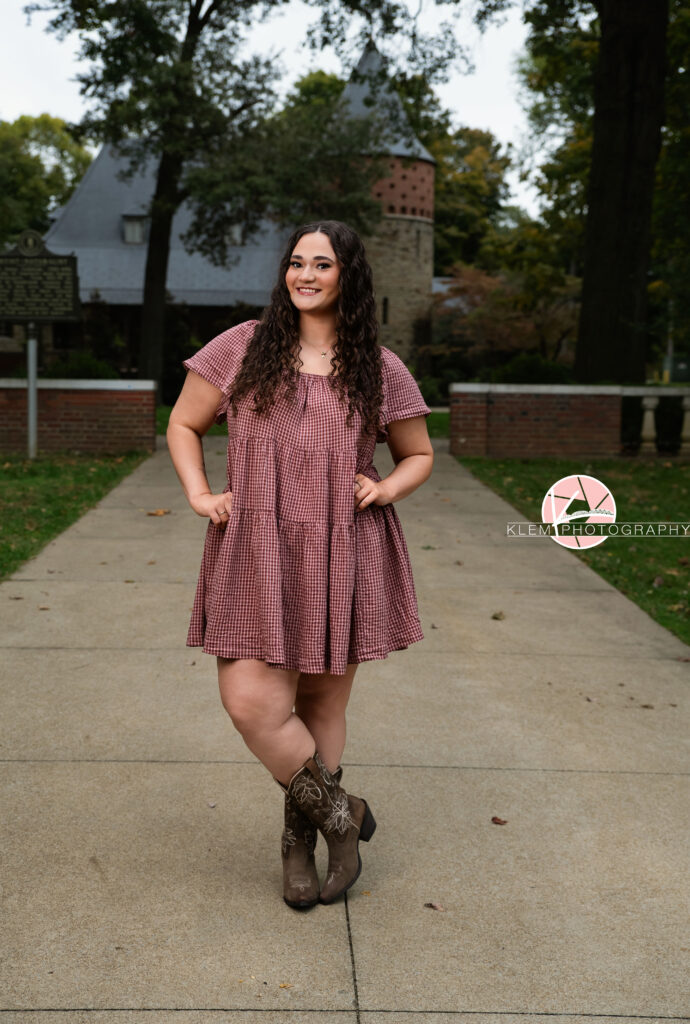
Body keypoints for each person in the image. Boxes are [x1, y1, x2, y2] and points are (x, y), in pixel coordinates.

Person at [167, 219, 433, 910]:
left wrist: (385, 488)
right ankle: (341, 817)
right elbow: (184, 422)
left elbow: (419, 453)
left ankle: (300, 844)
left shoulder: (379, 365)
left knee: (319, 701)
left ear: (349, 274)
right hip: (255, 543)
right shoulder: (244, 346)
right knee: (252, 702)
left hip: (344, 545)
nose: (305, 274)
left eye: (321, 263)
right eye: (295, 262)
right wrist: (200, 492)